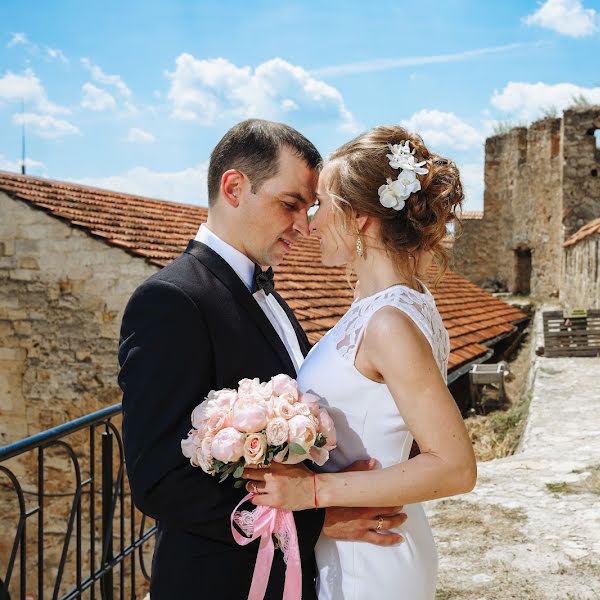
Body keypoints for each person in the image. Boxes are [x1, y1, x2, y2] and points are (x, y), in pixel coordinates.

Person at [118, 119, 406, 600]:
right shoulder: (170, 301)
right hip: (216, 581)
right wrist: (318, 517)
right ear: (234, 187)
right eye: (290, 204)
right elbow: (159, 482)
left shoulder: (269, 294)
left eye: (310, 208)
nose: (305, 225)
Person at [243, 126, 477, 600]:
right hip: (359, 544)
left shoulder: (389, 322)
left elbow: (455, 467)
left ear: (363, 219)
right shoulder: (397, 301)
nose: (310, 223)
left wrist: (313, 494)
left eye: (323, 205)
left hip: (373, 558)